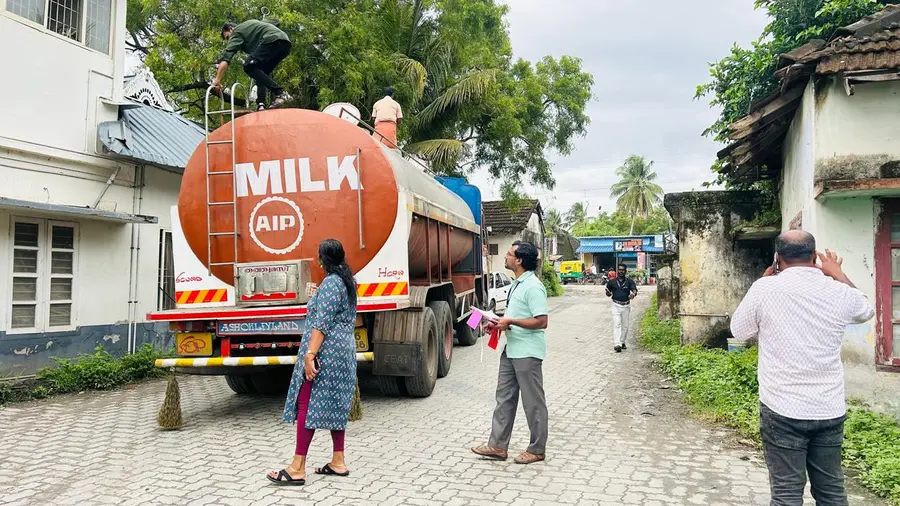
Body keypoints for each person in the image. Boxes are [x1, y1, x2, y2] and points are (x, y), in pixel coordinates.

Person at [730, 231, 874, 506]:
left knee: (786, 495)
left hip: (782, 408)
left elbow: (739, 330)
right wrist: (837, 274)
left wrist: (762, 281)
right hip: (828, 408)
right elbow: (865, 310)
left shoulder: (765, 288)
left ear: (778, 258)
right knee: (831, 491)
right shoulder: (838, 290)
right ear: (814, 255)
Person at [267, 239, 358, 486]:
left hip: (325, 352)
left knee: (307, 402)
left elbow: (322, 324)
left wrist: (310, 355)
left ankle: (297, 467)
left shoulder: (331, 283)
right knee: (336, 404)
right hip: (343, 352)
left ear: (321, 260)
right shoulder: (348, 283)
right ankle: (338, 461)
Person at [472, 241, 549, 465]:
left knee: (533, 402)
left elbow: (541, 321)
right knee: (504, 398)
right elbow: (515, 317)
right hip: (511, 350)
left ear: (519, 260)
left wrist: (510, 321)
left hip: (527, 353)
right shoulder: (517, 283)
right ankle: (497, 446)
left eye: (509, 254)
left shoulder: (533, 286)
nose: (505, 257)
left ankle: (537, 449)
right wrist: (497, 323)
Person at [215, 20, 292, 111]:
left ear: (231, 29)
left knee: (248, 66)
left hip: (271, 41)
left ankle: (281, 92)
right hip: (285, 45)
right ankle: (261, 104)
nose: (229, 41)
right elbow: (275, 21)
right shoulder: (250, 24)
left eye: (228, 37)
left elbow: (226, 58)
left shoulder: (236, 31)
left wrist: (217, 80)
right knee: (261, 72)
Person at [606, 263, 637, 352]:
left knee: (625, 326)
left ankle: (622, 341)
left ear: (625, 271)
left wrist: (633, 294)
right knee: (617, 324)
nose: (621, 271)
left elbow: (634, 290)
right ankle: (617, 344)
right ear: (617, 271)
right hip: (616, 305)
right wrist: (608, 293)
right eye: (619, 270)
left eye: (622, 270)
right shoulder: (612, 282)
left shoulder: (629, 281)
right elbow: (607, 291)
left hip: (626, 306)